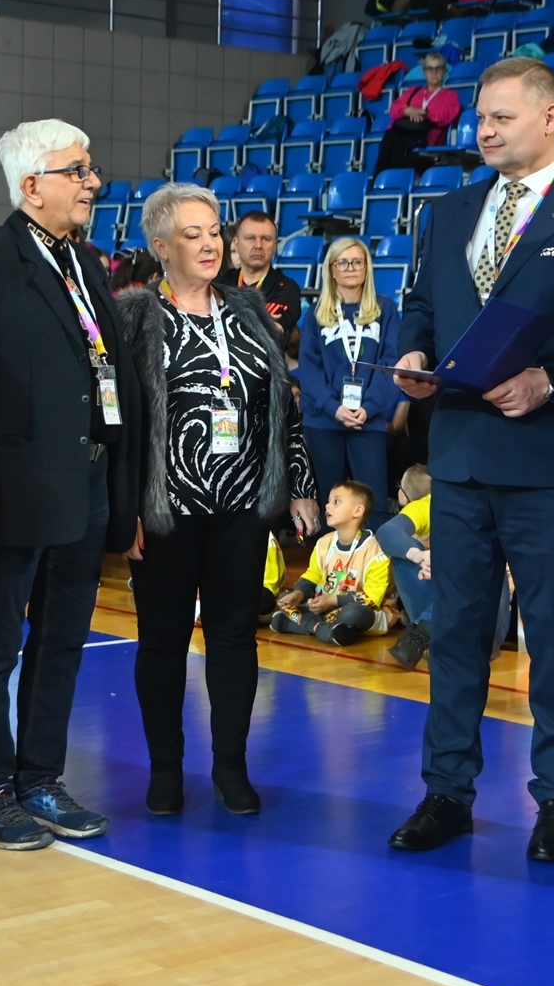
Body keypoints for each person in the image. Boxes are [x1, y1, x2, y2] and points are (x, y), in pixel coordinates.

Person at [390, 57, 554, 863]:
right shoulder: (449, 210)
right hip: (461, 455)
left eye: (501, 117)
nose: (485, 130)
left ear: (549, 118)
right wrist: (414, 351)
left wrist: (551, 381)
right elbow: (421, 304)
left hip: (547, 461)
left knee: (552, 639)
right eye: (480, 118)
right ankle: (447, 791)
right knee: (456, 633)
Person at [0, 118, 137, 851]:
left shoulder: (86, 262)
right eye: (76, 170)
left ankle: (41, 775)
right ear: (31, 185)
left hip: (85, 484)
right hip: (13, 486)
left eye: (89, 168)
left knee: (62, 642)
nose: (92, 182)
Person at [114, 183, 318, 818]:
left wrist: (300, 485)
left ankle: (231, 766)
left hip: (242, 508)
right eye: (192, 234)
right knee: (163, 641)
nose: (209, 245)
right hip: (165, 511)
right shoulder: (134, 316)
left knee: (234, 638)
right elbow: (117, 422)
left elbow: (284, 408)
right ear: (160, 246)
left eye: (213, 232)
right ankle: (165, 769)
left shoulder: (252, 311)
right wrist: (125, 508)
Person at [297, 236, 400, 531]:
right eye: (342, 262)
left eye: (357, 261)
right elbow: (310, 369)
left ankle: (375, 558)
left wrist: (369, 407)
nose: (351, 268)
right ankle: (331, 559)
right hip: (324, 421)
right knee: (331, 504)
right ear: (331, 269)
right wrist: (333, 407)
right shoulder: (316, 314)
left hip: (368, 419)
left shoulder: (385, 309)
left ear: (367, 267)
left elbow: (391, 363)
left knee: (374, 503)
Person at [271, 480, 394, 646]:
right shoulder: (324, 542)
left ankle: (308, 625)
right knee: (285, 599)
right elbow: (312, 576)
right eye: (329, 501)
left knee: (354, 613)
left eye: (336, 502)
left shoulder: (376, 551)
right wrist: (298, 594)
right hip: (325, 609)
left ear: (358, 510)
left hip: (364, 611)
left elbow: (370, 599)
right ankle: (326, 629)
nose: (327, 506)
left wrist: (332, 600)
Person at [218, 210, 303, 344]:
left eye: (266, 239)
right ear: (236, 243)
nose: (258, 246)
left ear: (275, 246)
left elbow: (271, 333)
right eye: (250, 238)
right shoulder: (219, 284)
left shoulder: (286, 289)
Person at [379, 464, 434, 667]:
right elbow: (387, 532)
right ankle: (426, 632)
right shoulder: (427, 505)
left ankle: (423, 631)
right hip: (437, 600)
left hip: (480, 613)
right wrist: (420, 556)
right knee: (402, 553)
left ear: (403, 496)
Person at [375, 53, 462, 175]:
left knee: (403, 144)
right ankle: (378, 180)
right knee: (388, 140)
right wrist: (408, 110)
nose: (434, 72)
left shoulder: (451, 96)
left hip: (424, 134)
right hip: (402, 128)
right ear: (424, 73)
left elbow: (447, 116)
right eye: (430, 69)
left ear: (444, 72)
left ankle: (394, 181)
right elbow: (394, 109)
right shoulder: (413, 91)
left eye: (438, 68)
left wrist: (424, 113)